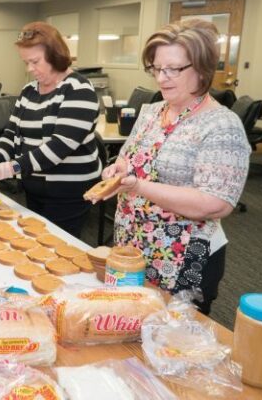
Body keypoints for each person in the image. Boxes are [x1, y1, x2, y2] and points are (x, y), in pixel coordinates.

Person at [91, 19, 251, 315]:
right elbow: (129, 157)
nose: (162, 78)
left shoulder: (221, 125)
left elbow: (215, 204)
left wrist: (138, 186)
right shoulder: (152, 111)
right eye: (156, 68)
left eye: (174, 69)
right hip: (134, 246)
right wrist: (117, 170)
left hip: (183, 256)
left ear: (202, 68)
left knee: (171, 344)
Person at [0, 21, 101, 238]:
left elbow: (59, 147)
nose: (29, 69)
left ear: (55, 54)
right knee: (35, 242)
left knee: (59, 248)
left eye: (35, 61)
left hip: (68, 193)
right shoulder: (28, 91)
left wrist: (10, 168)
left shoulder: (79, 89)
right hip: (34, 188)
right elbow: (11, 133)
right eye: (26, 62)